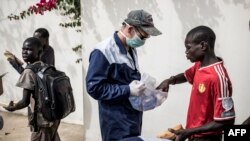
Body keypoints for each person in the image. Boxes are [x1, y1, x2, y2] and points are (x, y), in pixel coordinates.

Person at [86, 9, 162, 141]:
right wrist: (128, 90)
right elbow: (94, 88)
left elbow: (127, 81)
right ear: (130, 29)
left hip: (132, 118)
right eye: (143, 37)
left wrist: (146, 90)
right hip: (115, 122)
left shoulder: (131, 49)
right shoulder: (103, 51)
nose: (144, 41)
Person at [157, 26, 235, 141]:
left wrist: (189, 131)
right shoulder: (199, 65)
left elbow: (226, 122)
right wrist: (170, 80)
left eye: (188, 48)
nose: (186, 52)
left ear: (203, 46)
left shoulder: (218, 78)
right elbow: (185, 75)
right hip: (192, 136)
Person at [3, 37, 60, 141]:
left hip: (41, 121)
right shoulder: (45, 66)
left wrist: (14, 107)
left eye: (29, 49)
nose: (24, 52)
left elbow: (25, 102)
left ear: (39, 51)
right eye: (23, 49)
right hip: (53, 117)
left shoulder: (28, 71)